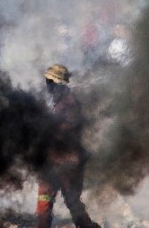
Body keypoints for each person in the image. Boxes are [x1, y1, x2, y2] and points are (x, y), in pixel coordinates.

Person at [36, 64, 100, 228]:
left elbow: (65, 129)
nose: (48, 86)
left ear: (58, 83)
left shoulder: (69, 103)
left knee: (72, 202)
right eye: (47, 82)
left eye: (50, 82)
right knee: (45, 198)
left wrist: (45, 127)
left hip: (67, 162)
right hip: (54, 160)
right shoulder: (58, 102)